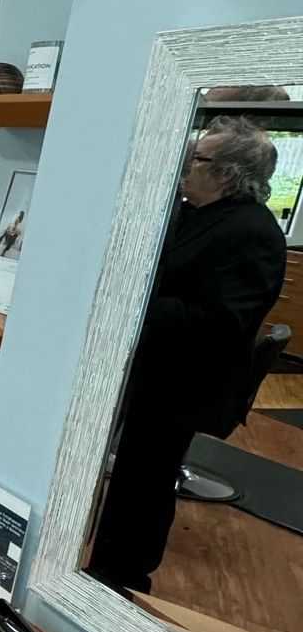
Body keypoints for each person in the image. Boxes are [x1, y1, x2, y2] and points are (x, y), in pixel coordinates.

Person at [89, 118, 287, 592]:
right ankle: (102, 564)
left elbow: (221, 320)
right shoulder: (191, 213)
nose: (186, 167)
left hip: (181, 381)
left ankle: (122, 578)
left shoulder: (254, 232)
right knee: (131, 475)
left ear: (226, 173)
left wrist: (133, 305)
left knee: (145, 480)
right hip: (149, 369)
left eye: (197, 159)